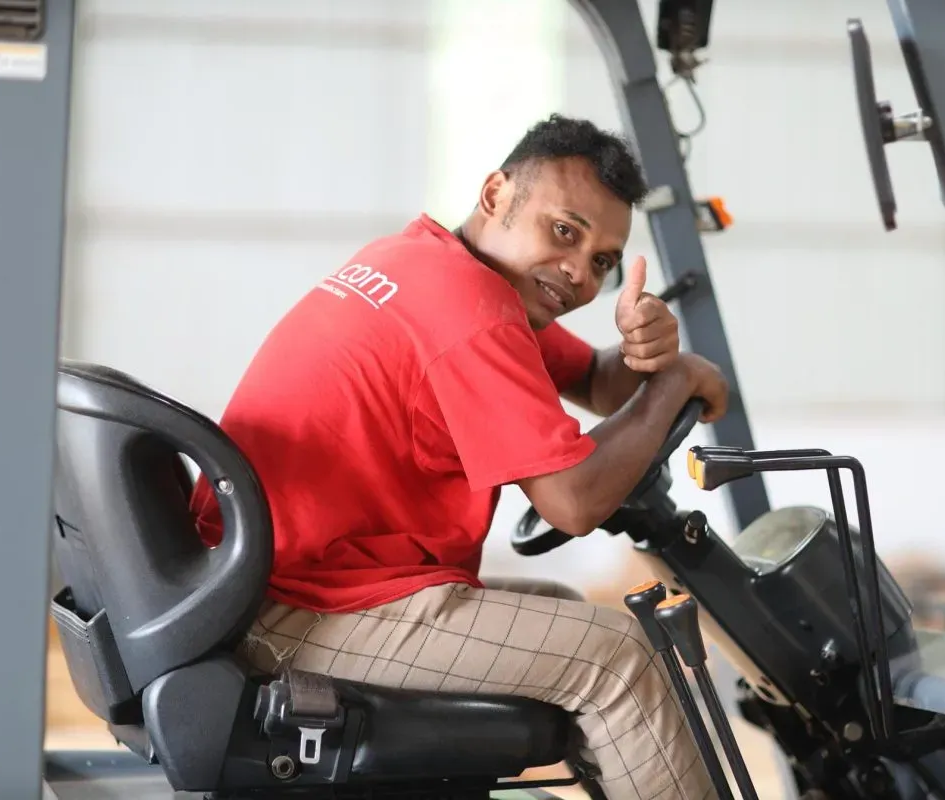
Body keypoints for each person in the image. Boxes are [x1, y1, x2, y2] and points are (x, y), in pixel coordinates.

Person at [191, 114, 731, 800]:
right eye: (565, 231)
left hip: (264, 585)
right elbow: (573, 503)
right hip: (295, 613)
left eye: (601, 262)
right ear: (496, 193)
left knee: (567, 613)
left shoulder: (421, 260)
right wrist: (676, 379)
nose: (578, 273)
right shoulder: (472, 311)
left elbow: (595, 382)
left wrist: (641, 350)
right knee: (619, 659)